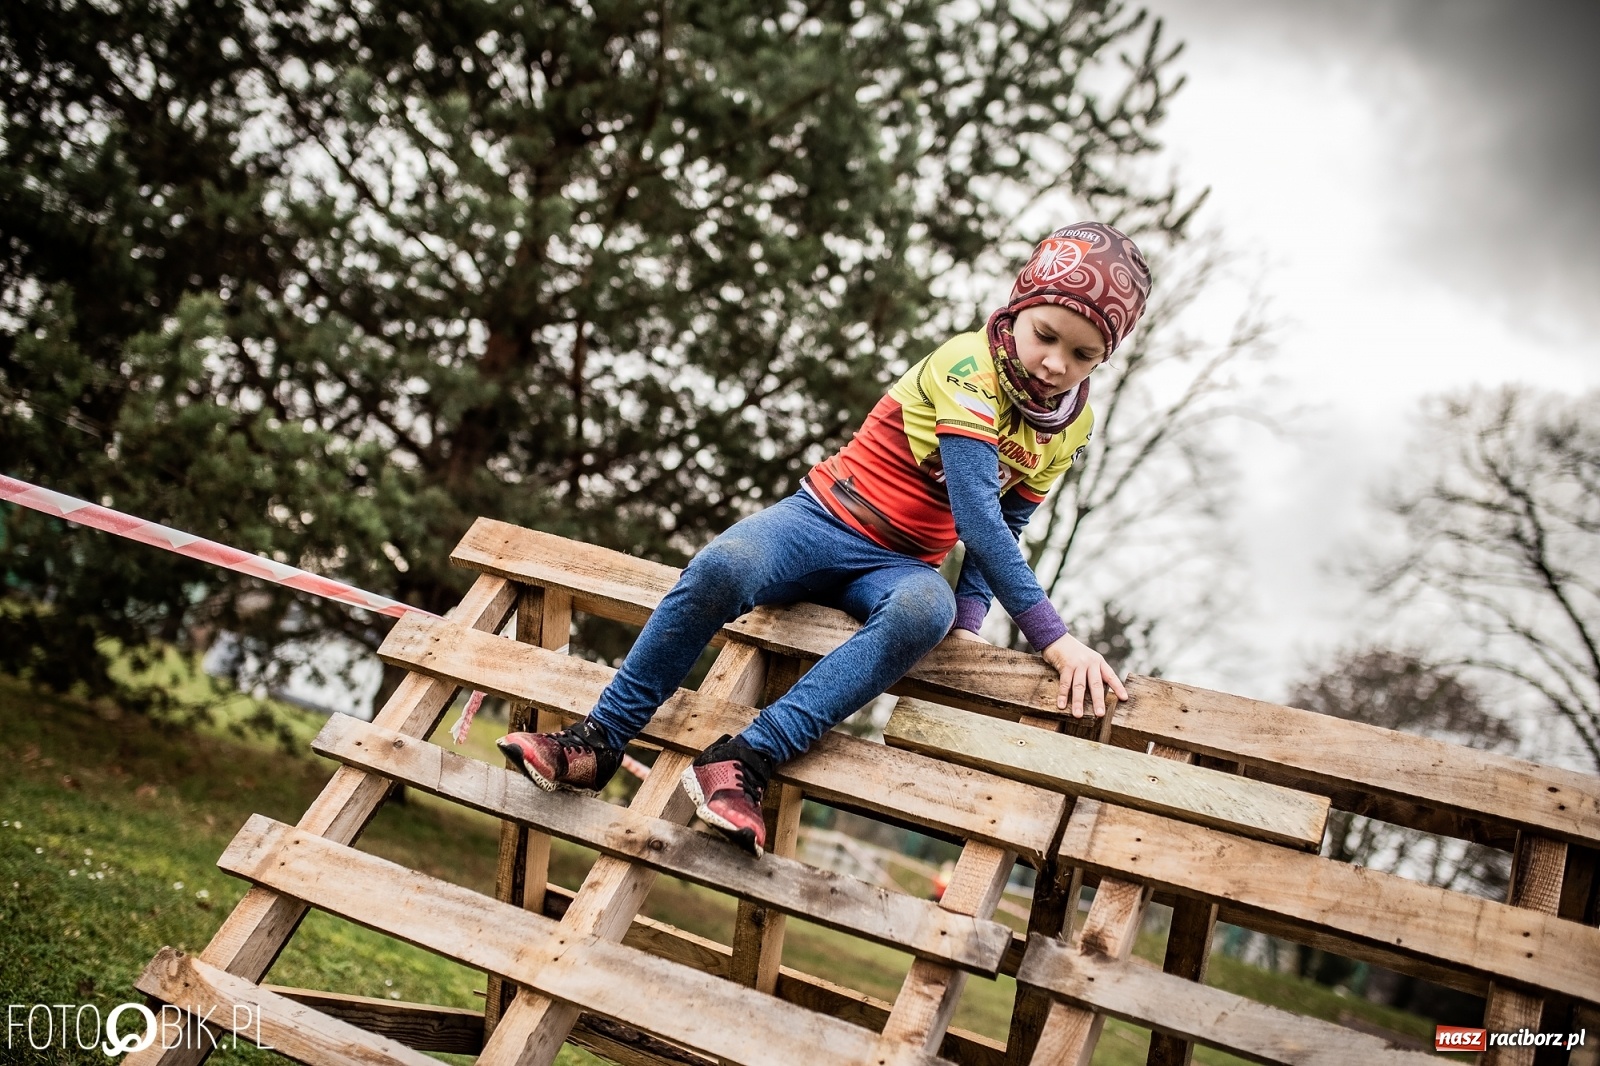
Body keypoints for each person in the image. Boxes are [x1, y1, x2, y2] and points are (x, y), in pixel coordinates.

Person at [499, 222, 1148, 856]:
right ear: (1019, 307)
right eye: (1046, 336)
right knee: (724, 566)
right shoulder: (969, 365)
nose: (1057, 363)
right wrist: (1053, 638)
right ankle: (598, 740)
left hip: (898, 566)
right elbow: (976, 511)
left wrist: (970, 619)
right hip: (822, 521)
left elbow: (1007, 523)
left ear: (1105, 357)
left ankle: (744, 760)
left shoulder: (1070, 423)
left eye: (1084, 354)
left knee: (930, 608)